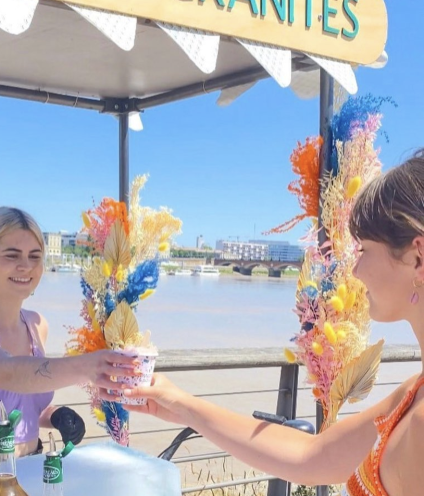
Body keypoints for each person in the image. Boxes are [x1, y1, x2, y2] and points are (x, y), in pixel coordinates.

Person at [121, 149, 424, 496]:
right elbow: (314, 455)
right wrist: (183, 405)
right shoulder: (412, 393)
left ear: (418, 257)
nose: (356, 271)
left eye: (365, 250)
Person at [0, 206, 138, 468]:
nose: (26, 266)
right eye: (12, 255)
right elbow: (9, 374)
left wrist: (54, 416)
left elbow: (23, 402)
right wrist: (92, 365)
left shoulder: (36, 324)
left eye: (35, 256)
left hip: (35, 470)